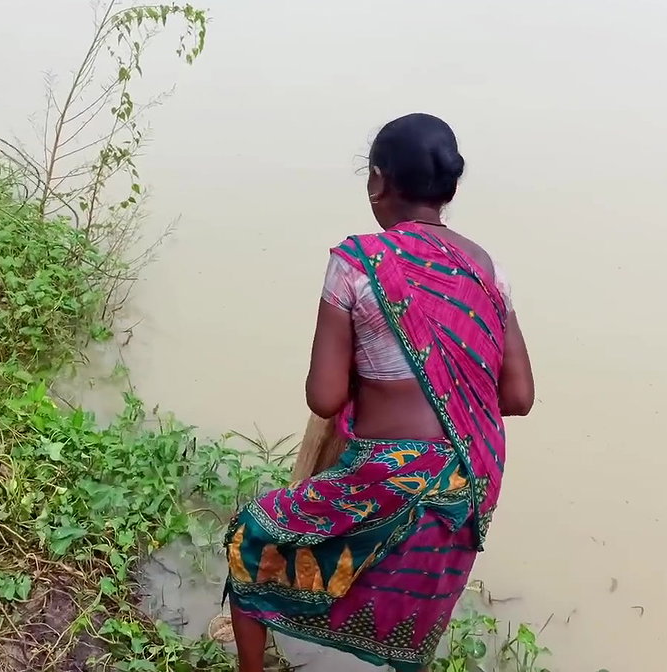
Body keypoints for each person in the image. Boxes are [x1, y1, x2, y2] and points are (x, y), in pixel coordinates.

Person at [220, 113, 535, 672]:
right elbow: (518, 396)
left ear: (377, 180)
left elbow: (323, 396)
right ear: (450, 188)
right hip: (465, 483)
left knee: (252, 540)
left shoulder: (358, 263)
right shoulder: (488, 271)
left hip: (388, 475)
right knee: (410, 623)